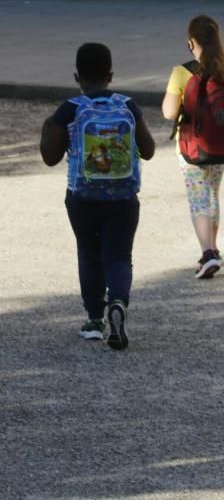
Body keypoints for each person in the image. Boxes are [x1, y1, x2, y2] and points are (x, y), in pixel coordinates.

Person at [40, 42, 155, 349]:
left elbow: (50, 157)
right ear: (111, 75)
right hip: (123, 197)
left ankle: (94, 319)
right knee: (119, 257)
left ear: (78, 77)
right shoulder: (128, 105)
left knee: (89, 254)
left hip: (83, 197)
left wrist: (47, 129)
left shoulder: (71, 108)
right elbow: (149, 150)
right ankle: (117, 302)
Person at [161, 15, 224, 279]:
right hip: (221, 145)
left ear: (190, 43)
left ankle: (206, 254)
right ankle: (214, 248)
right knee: (212, 194)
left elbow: (169, 112)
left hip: (191, 148)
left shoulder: (181, 73)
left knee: (198, 200)